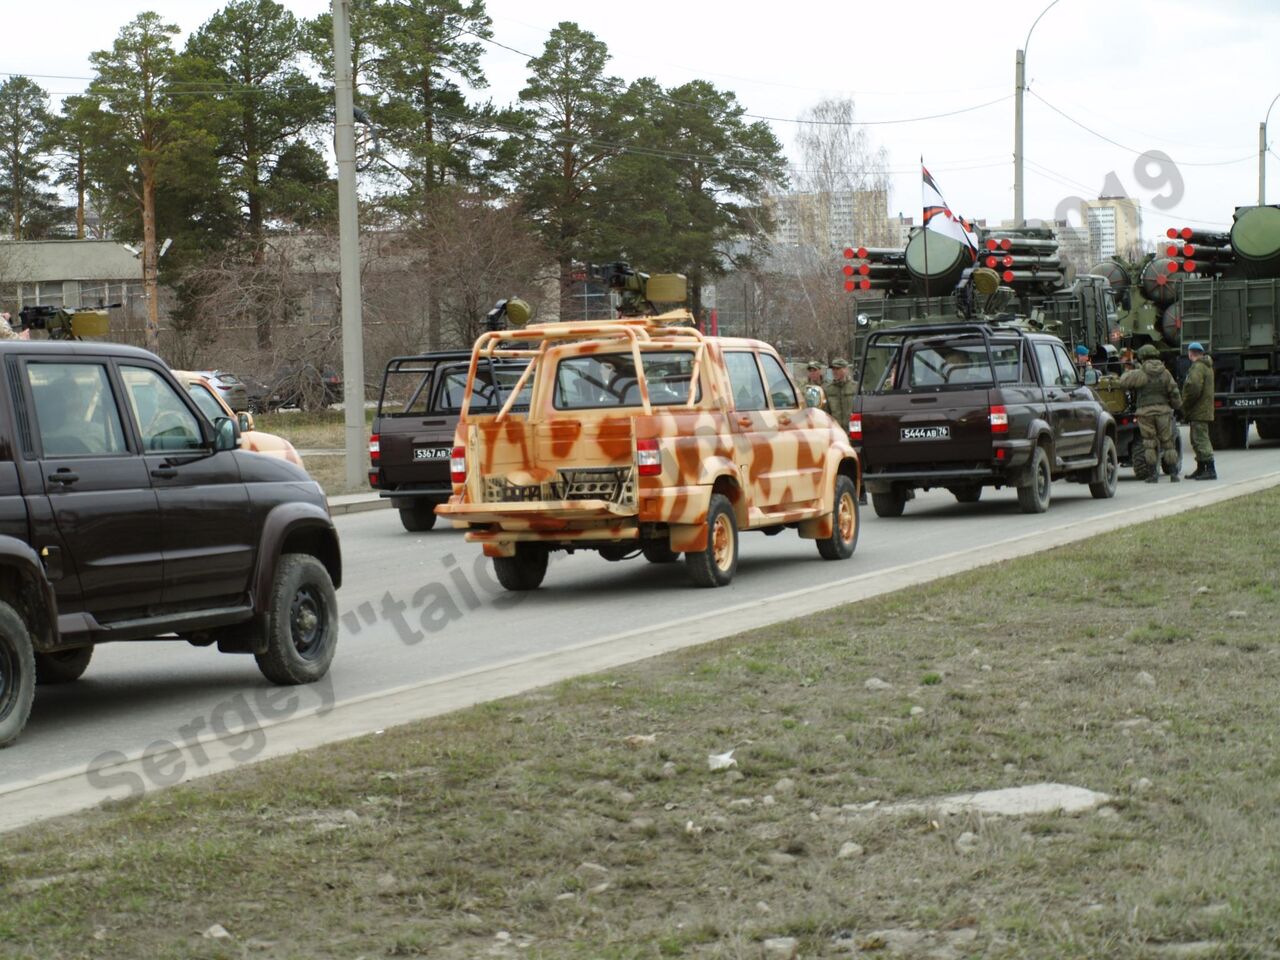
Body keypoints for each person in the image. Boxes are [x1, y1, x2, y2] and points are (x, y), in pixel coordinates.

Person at [1119, 343, 1183, 483]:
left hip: (1145, 413)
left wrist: (1129, 369)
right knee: (1168, 442)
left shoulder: (1140, 373)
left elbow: (1123, 381)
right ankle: (1173, 474)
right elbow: (1174, 392)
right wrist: (1177, 406)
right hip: (1163, 412)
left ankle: (1153, 475)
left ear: (1142, 357)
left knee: (1149, 443)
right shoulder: (1165, 373)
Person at [1181, 341, 1216, 480]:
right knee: (1196, 439)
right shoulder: (1205, 366)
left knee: (1200, 439)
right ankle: (1201, 468)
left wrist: (1185, 404)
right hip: (1202, 409)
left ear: (1191, 353)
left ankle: (1210, 469)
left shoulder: (1198, 368)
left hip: (1198, 409)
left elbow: (1194, 388)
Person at [827, 358, 856, 434]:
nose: (834, 372)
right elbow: (826, 413)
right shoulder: (828, 389)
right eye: (833, 369)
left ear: (846, 369)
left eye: (838, 369)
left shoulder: (856, 387)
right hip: (836, 432)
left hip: (853, 430)